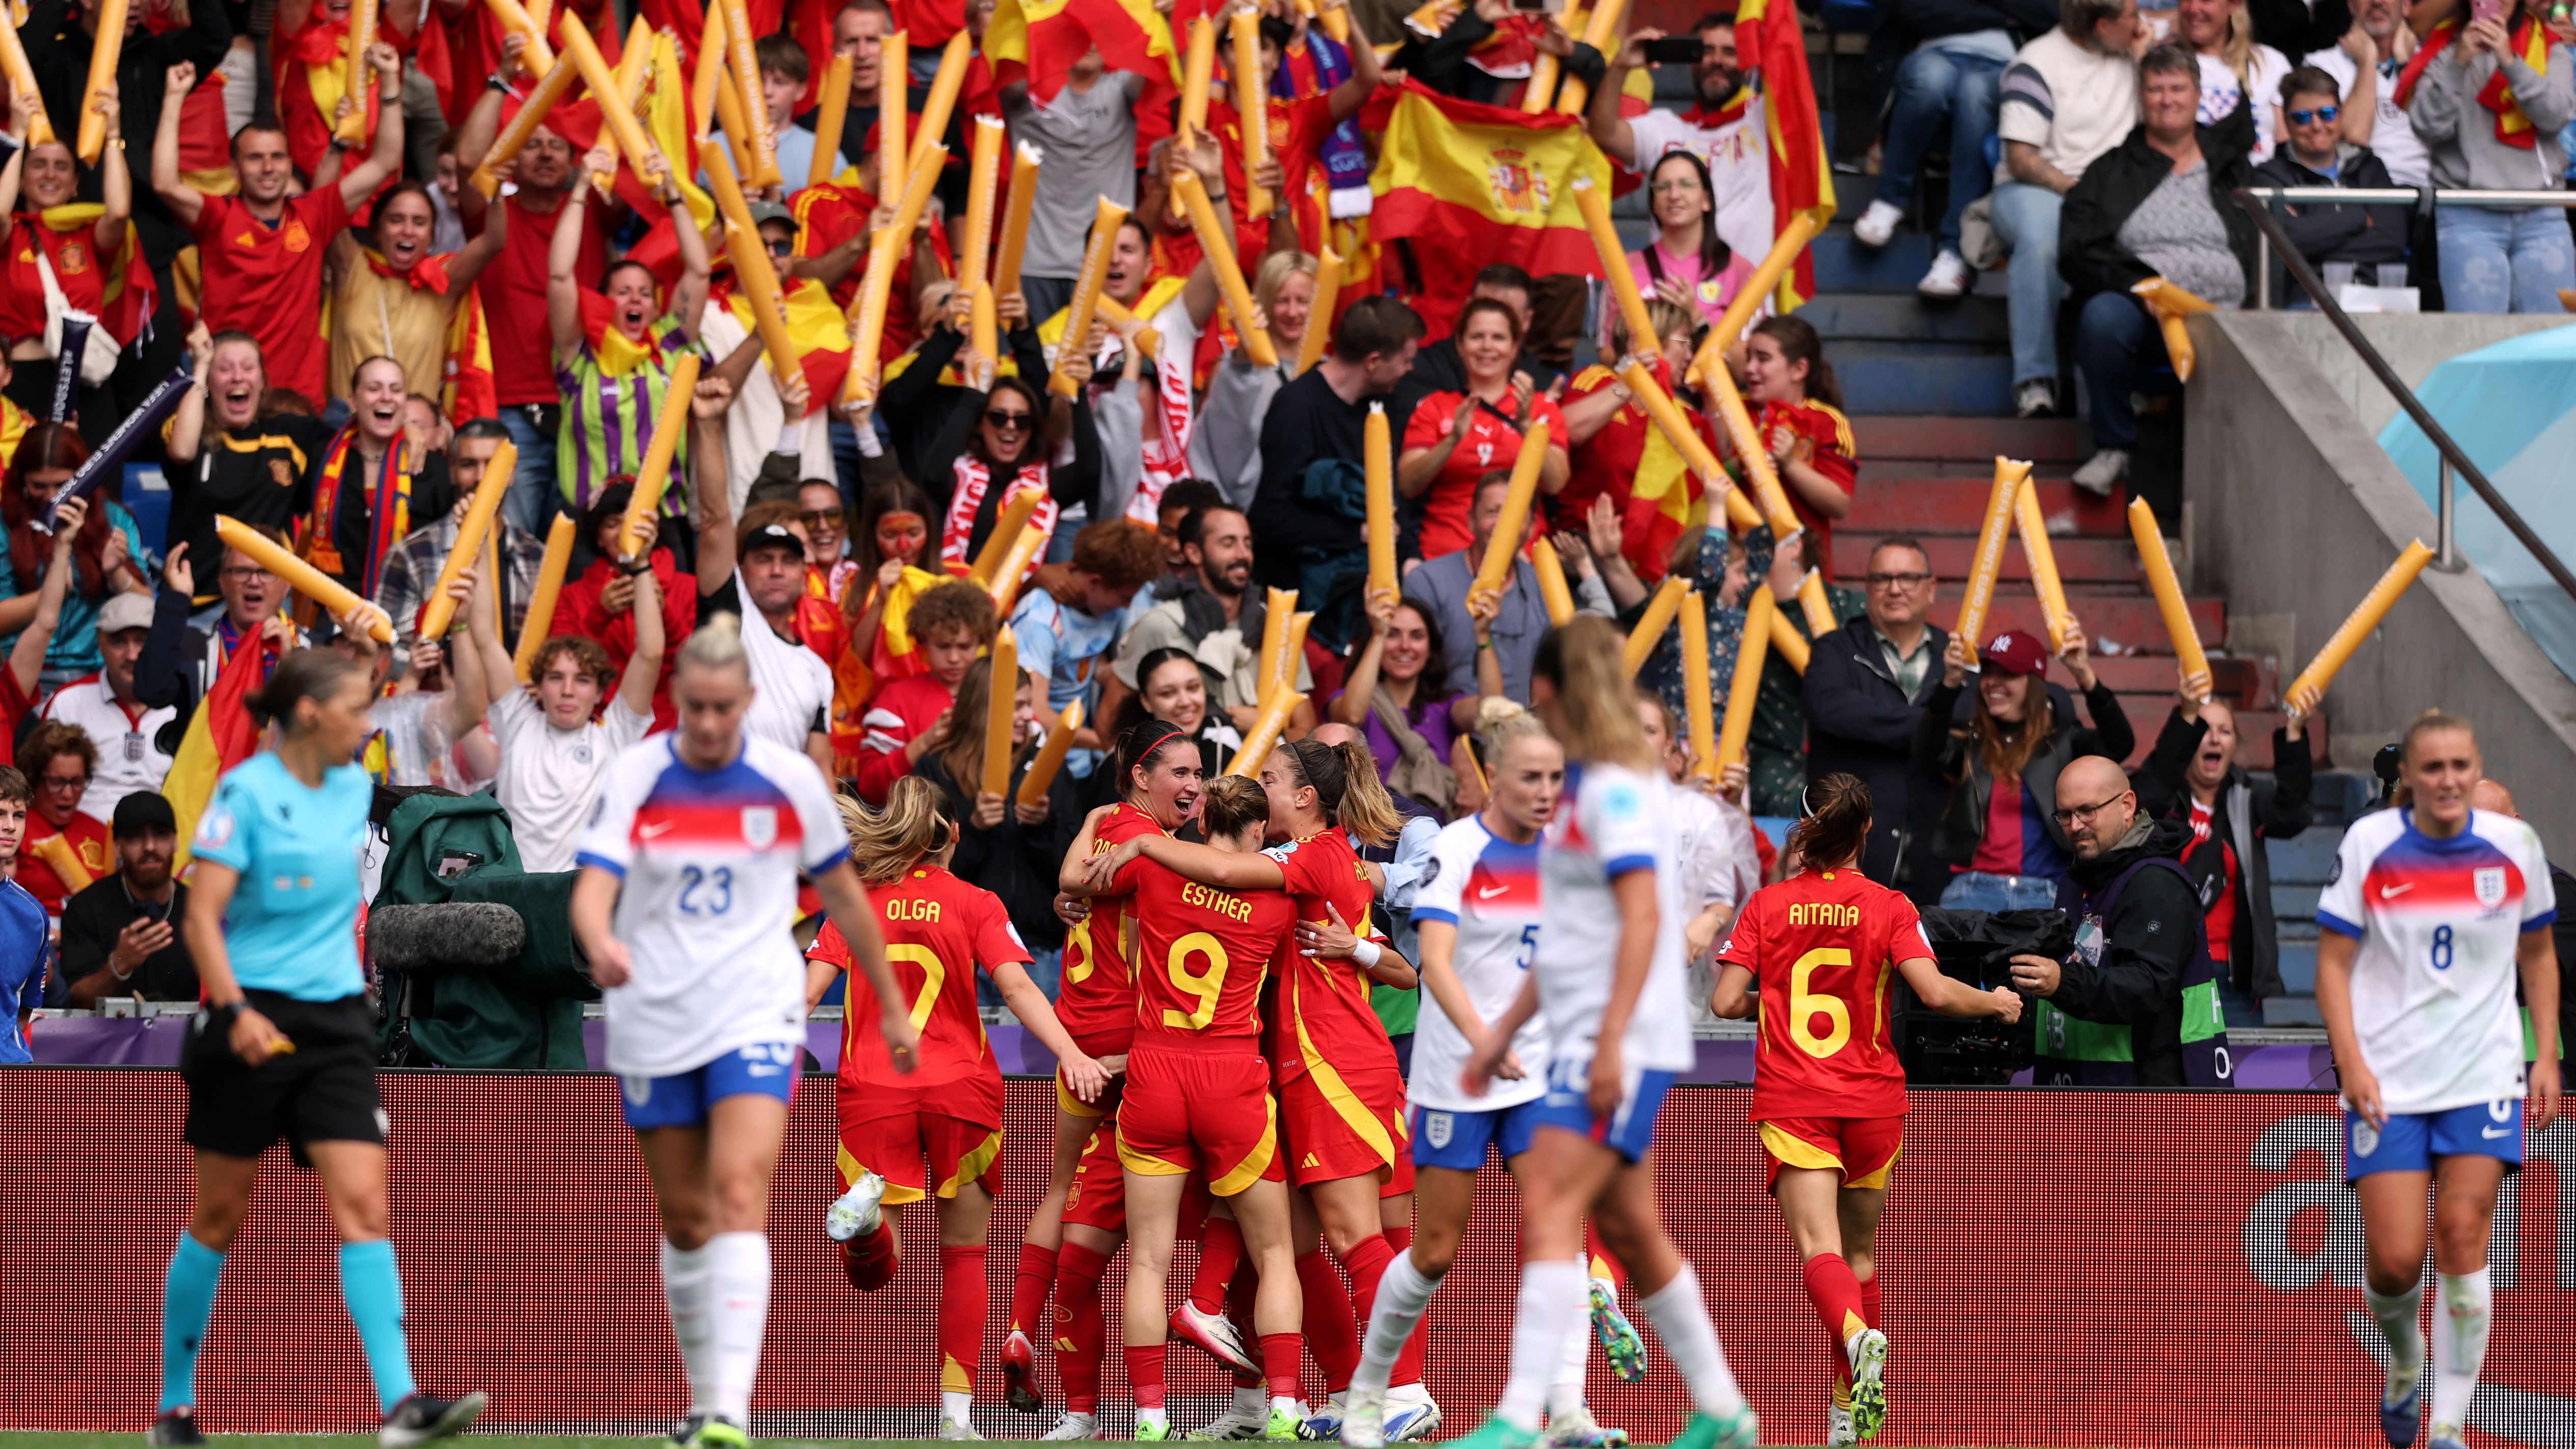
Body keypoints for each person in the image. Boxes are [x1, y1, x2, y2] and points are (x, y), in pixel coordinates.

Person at [568, 615, 917, 1449]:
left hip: (756, 1007)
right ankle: (701, 1399)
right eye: (696, 707)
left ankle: (726, 1411)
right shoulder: (638, 774)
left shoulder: (790, 782)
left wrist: (892, 1004)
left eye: (725, 708)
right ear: (678, 699)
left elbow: (842, 898)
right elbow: (590, 889)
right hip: (655, 1012)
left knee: (738, 1194)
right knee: (686, 1217)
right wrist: (599, 940)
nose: (711, 724)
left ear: (749, 701)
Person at [157, 641, 485, 1448]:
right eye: (355, 709)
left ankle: (402, 1404)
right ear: (310, 714)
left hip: (338, 1019)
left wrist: (433, 638)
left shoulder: (351, 788)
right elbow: (200, 917)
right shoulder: (245, 793)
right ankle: (173, 1406)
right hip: (249, 1016)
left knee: (365, 1205)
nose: (368, 724)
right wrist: (233, 1010)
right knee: (219, 1216)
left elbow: (469, 721)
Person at [1455, 615, 1757, 1449]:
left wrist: (1613, 1040)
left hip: (1616, 1037)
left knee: (1549, 1203)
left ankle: (1519, 1418)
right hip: (1598, 1031)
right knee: (1629, 1231)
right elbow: (1572, 936)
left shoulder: (1615, 793)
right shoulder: (1594, 787)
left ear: (1543, 692)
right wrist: (1500, 1033)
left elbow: (1638, 922)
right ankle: (1724, 1410)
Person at [1079, 736, 1421, 1443]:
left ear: (1299, 798)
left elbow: (1185, 874)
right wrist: (1358, 945)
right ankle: (1299, 1393)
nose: (1263, 784)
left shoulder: (1303, 861)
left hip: (1311, 1062)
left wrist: (1136, 848)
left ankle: (1398, 1391)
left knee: (1357, 1237)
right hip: (1263, 1071)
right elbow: (1396, 963)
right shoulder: (1297, 879)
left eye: (1272, 775)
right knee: (1291, 1244)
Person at [1710, 773, 2021, 1444]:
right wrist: (1994, 1000)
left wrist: (1773, 999)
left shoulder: (1767, 906)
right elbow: (1935, 993)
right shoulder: (1889, 906)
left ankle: (1857, 1339)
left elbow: (1724, 1002)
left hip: (1798, 1099)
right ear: (1866, 831)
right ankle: (1847, 1416)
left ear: (1803, 828)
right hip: (1874, 1102)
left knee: (1818, 1250)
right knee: (1858, 1256)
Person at [1346, 707, 1621, 1449]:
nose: (1544, 792)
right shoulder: (1456, 851)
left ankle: (1568, 1413)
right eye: (1530, 778)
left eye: (1555, 779)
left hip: (1536, 1075)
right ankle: (1370, 1396)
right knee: (1433, 1250)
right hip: (1454, 1075)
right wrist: (1484, 1040)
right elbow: (1433, 961)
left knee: (1557, 1231)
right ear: (1492, 777)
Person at [810, 778, 1107, 1441]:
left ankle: (864, 1228)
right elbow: (1018, 986)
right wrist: (1072, 1053)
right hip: (961, 1090)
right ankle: (956, 1418)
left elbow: (803, 994)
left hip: (875, 1087)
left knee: (872, 1274)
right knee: (964, 1254)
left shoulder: (850, 902)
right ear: (952, 834)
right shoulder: (975, 901)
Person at [2315, 715, 2560, 1449]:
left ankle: (2448, 1424)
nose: (2448, 779)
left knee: (2461, 1233)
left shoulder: (2515, 846)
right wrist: (2351, 1062)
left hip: (2481, 1073)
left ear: (2474, 765)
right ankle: (2402, 1360)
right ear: (2409, 779)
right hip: (2388, 1078)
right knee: (2395, 1261)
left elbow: (2539, 954)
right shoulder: (2370, 845)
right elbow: (2330, 964)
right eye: (2433, 767)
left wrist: (2543, 1052)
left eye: (2461, 764)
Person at [1092, 772, 1309, 1443]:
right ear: (1253, 832)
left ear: (1200, 819)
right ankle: (1281, 1407)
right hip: (1230, 1078)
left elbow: (1084, 890)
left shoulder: (1154, 875)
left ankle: (1151, 1420)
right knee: (1274, 1251)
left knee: (1147, 1262)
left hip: (1154, 1069)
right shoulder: (1277, 903)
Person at [1012, 721, 1208, 1432]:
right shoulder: (1153, 848)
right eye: (1180, 772)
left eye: (1200, 773)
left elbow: (1073, 881)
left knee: (1066, 1197)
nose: (1193, 785)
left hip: (1078, 1044)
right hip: (1139, 1058)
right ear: (1138, 777)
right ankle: (1266, 1393)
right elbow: (1072, 884)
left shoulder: (1109, 828)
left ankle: (1027, 1333)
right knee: (1236, 1228)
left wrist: (1093, 822)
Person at [151, 51, 405, 405]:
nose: (268, 167)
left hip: (298, 396)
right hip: (231, 393)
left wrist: (390, 81)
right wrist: (175, 99)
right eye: (255, 158)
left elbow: (385, 161)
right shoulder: (218, 217)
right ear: (235, 170)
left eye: (278, 157)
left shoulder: (313, 214)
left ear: (290, 164)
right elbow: (164, 183)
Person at [2060, 45, 2256, 495]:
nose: (2166, 99)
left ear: (2197, 95)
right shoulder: (2110, 171)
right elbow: (2075, 250)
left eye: (2177, 88)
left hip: (2235, 317)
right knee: (2102, 317)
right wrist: (2139, 289)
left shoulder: (2232, 169)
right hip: (2149, 323)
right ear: (2141, 97)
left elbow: (2269, 238)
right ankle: (2114, 449)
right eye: (2155, 89)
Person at [450, 32, 605, 532]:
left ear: (573, 158)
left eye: (556, 146)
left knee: (575, 549)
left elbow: (634, 168)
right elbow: (469, 163)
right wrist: (501, 78)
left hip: (584, 404)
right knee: (509, 542)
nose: (543, 154)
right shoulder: (494, 215)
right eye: (531, 143)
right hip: (512, 408)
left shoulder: (593, 213)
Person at [2003, 753, 2227, 1084]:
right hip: (2081, 1094)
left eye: (2087, 810)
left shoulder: (2158, 883)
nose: (2075, 825)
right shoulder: (2076, 878)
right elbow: (2074, 970)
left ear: (2127, 805)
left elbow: (2145, 987)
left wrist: (2060, 982)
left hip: (2150, 1103)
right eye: (2065, 815)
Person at [447, 533, 661, 874]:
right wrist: (483, 536)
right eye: (557, 678)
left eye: (583, 680)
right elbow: (485, 637)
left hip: (576, 901)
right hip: (514, 895)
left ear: (600, 693)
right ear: (540, 686)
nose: (568, 690)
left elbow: (650, 653)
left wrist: (640, 566)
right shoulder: (518, 722)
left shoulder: (615, 736)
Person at [1992, 0, 2146, 420]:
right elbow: (2022, 158)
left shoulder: (2133, 57)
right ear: (2103, 25)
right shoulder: (2037, 63)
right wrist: (2081, 194)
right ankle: (2035, 382)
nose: (2142, 23)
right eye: (2132, 16)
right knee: (2043, 242)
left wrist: (2145, 57)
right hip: (2040, 187)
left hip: (2113, 194)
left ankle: (2131, 386)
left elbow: (2167, 125)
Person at [1853, 0, 2060, 297]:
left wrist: (1960, 10)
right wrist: (2004, 14)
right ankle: (1890, 199)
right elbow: (1913, 11)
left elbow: (2050, 14)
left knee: (1975, 94)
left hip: (2002, 65)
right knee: (1929, 81)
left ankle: (1956, 250)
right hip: (1932, 54)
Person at [1916, 627, 2132, 908]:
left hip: (2045, 892)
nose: (1993, 683)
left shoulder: (2062, 743)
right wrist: (1949, 685)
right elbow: (1925, 752)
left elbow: (2120, 745)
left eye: (2008, 674)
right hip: (1973, 891)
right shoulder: (1971, 744)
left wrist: (2085, 676)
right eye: (1988, 672)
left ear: (2034, 684)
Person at [550, 144, 711, 517]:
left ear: (656, 308)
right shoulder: (581, 355)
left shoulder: (671, 344)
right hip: (589, 525)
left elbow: (699, 271)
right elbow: (559, 275)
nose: (635, 300)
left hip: (664, 519)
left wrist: (673, 191)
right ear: (605, 303)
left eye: (644, 293)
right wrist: (580, 190)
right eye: (623, 293)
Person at [904, 657, 1082, 994]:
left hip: (1036, 950)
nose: (1028, 716)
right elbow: (918, 868)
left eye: (1029, 704)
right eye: (1016, 706)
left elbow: (1073, 870)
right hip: (958, 947)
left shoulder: (1051, 768)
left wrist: (1041, 828)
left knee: (1033, 1048)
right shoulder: (936, 769)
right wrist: (971, 828)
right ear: (984, 707)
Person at [2131, 686, 2312, 1013]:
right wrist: (2185, 715)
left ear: (2234, 746)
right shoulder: (2163, 802)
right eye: (2204, 730)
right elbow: (2145, 793)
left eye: (2225, 731)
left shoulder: (2248, 799)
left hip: (2231, 979)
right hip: (2167, 973)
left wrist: (2295, 732)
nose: (2214, 739)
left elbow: (2292, 813)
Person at [693, 380, 836, 775]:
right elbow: (715, 518)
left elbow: (822, 769)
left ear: (806, 573)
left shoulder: (817, 670)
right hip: (717, 807)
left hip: (783, 825)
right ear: (741, 568)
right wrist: (707, 425)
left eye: (788, 561)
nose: (776, 569)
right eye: (763, 559)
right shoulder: (729, 610)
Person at [2402, 0, 2576, 314]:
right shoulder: (2443, 49)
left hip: (2542, 215)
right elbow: (2427, 127)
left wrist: (2509, 60)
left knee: (2554, 339)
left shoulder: (2548, 46)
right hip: (2468, 215)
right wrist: (2459, 62)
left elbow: (2556, 116)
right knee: (2479, 340)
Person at [0, 77, 144, 446]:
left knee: (94, 495)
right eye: (38, 165)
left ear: (76, 181)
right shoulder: (9, 232)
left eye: (61, 166)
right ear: (20, 176)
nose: (50, 174)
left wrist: (112, 135)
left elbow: (120, 211)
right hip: (21, 382)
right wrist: (15, 134)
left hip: (86, 382)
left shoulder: (86, 233)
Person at [1803, 538, 1950, 897]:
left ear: (1931, 588)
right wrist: (1929, 726)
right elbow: (1830, 709)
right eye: (1882, 578)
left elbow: (1972, 730)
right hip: (1850, 858)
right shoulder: (1834, 649)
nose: (1895, 588)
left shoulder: (1957, 658)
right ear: (1868, 589)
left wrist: (1879, 724)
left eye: (1908, 578)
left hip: (1940, 863)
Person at [1251, 296, 1423, 593]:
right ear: (1373, 362)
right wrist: (1356, 533)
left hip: (1368, 582)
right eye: (1406, 360)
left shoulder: (1382, 400)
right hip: (1301, 588)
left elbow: (1390, 494)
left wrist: (1410, 557)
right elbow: (1272, 516)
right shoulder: (1296, 408)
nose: (1410, 369)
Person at [1405, 474, 1618, 710]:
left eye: (1514, 514)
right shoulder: (1427, 581)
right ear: (1471, 521)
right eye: (1493, 512)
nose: (1503, 524)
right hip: (1446, 729)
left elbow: (1597, 635)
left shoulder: (1544, 583)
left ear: (1531, 527)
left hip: (1523, 733)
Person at [1110, 504, 1316, 739]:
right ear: (1194, 553)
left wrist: (1269, 728)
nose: (1242, 554)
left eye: (1247, 544)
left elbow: (1308, 736)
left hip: (1268, 772)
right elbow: (1111, 728)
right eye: (1228, 544)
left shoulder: (1276, 626)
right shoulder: (1161, 625)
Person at [161, 330, 337, 604]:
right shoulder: (189, 427)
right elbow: (182, 452)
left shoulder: (288, 434)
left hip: (267, 603)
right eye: (224, 369)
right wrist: (200, 365)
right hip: (198, 602)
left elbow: (359, 440)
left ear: (263, 381)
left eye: (247, 368)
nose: (238, 377)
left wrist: (409, 431)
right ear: (209, 381)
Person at [1589, 15, 1774, 264]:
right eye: (1707, 51)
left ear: (1749, 64)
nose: (1717, 61)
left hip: (1749, 294)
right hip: (1670, 294)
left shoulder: (1766, 121)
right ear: (1692, 61)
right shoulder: (1666, 128)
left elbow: (1790, 66)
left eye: (1730, 52)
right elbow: (1604, 132)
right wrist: (1621, 65)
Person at [1557, 302, 1718, 586]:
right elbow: (1565, 431)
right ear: (1642, 341)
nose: (1690, 355)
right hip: (1584, 555)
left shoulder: (1684, 415)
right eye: (1683, 342)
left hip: (1654, 566)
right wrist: (1632, 381)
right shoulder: (1598, 381)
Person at [1397, 297, 1569, 561]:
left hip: (1522, 556)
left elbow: (1555, 482)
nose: (1487, 347)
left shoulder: (1540, 407)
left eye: (1499, 338)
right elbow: (1408, 484)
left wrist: (1526, 426)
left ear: (1514, 348)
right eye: (1477, 337)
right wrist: (1452, 440)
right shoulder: (1435, 407)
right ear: (1460, 345)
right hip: (1447, 556)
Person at [323, 178, 506, 407]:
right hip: (349, 431)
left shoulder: (440, 282)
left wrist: (496, 188)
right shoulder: (351, 269)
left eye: (419, 223)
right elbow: (325, 206)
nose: (408, 231)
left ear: (432, 236)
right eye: (396, 220)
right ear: (377, 230)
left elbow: (494, 241)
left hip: (416, 433)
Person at [373, 419, 549, 655]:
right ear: (452, 472)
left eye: (494, 465)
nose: (481, 477)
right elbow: (392, 652)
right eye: (468, 465)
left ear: (512, 474)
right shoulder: (411, 554)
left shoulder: (538, 558)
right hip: (436, 690)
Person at [998, 51, 1145, 323]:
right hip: (1034, 265)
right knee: (1033, 361)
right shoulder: (1026, 89)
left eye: (1095, 29)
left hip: (1105, 269)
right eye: (1078, 29)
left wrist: (1170, 16)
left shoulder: (1124, 89)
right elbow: (1001, 47)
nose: (1088, 41)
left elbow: (1163, 60)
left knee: (1098, 364)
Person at [0, 423, 151, 677]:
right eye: (39, 485)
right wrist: (50, 594)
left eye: (63, 485)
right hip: (22, 671)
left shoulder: (113, 517)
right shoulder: (7, 524)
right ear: (22, 480)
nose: (52, 497)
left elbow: (146, 606)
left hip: (95, 671)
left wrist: (116, 574)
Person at [1009, 518, 1166, 758]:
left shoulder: (1103, 604)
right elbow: (1035, 712)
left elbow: (1087, 657)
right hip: (1041, 756)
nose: (1127, 606)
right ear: (1095, 582)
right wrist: (1108, 743)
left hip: (1082, 754)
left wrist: (1107, 673)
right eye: (1124, 597)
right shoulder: (1039, 622)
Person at [1331, 589, 1485, 820]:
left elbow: (1489, 711)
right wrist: (1378, 635)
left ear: (1430, 649)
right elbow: (1351, 717)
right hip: (1368, 841)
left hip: (1433, 842)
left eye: (1417, 636)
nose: (1405, 646)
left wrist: (1483, 637)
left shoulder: (1445, 707)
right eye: (1393, 634)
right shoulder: (1351, 699)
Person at [1722, 316, 1857, 575]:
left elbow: (1840, 504)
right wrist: (1740, 464)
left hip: (1800, 572)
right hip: (1736, 570)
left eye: (1763, 359)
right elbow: (1709, 472)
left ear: (1799, 370)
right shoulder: (1731, 407)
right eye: (1749, 357)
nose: (1750, 368)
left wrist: (1790, 465)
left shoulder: (1826, 421)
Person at [1188, 251, 1320, 512]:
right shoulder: (1234, 368)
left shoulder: (1331, 369)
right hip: (1251, 516)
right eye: (1282, 301)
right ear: (1265, 302)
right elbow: (1216, 449)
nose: (1293, 312)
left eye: (1303, 301)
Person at [2252, 66, 2411, 280]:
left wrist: (2315, 251)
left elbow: (2393, 239)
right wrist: (2359, 218)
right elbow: (2286, 244)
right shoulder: (2268, 177)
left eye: (2327, 114)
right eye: (2302, 118)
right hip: (2304, 303)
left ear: (2341, 115)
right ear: (2287, 123)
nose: (2317, 126)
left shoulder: (2370, 167)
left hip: (2375, 297)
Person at [853, 578, 999, 806]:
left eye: (964, 646)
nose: (953, 658)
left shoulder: (1000, 690)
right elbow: (871, 786)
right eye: (943, 646)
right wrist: (926, 741)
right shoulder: (897, 697)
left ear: (980, 641)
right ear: (924, 642)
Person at [39, 591, 175, 822]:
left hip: (162, 844)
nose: (132, 655)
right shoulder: (70, 702)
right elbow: (42, 787)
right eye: (119, 642)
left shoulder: (184, 703)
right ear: (100, 643)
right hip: (80, 846)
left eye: (142, 641)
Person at [57, 789, 192, 1007]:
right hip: (110, 1039)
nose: (150, 846)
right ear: (117, 848)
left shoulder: (199, 909)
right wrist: (120, 963)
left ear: (176, 842)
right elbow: (78, 999)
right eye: (136, 836)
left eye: (161, 834)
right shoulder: (86, 908)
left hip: (188, 1039)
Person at [1621, 152, 1760, 334]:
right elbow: (1607, 351)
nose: (1674, 195)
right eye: (1663, 187)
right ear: (1653, 204)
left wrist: (1694, 316)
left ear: (1706, 200)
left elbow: (1746, 356)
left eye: (1686, 184)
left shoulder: (1740, 269)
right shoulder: (1625, 267)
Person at [2305, 0, 2425, 192]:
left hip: (2428, 196)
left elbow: (2436, 127)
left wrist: (2405, 63)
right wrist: (2368, 61)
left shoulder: (2433, 62)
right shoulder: (2320, 65)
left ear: (2406, 5)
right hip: (2360, 195)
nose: (2377, 2)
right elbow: (2355, 135)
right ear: (2351, 5)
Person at [1104, 645, 1246, 785]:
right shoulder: (1121, 760)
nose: (1184, 702)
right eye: (1168, 693)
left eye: (1193, 688)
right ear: (1145, 700)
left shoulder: (1223, 740)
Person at [2176, 0, 2293, 161]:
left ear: (2234, 4)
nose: (2193, 8)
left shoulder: (2271, 62)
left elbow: (2285, 141)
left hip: (2260, 181)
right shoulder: (2166, 64)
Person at [15, 719, 108, 921]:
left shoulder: (100, 832)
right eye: (57, 782)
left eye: (77, 782)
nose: (68, 794)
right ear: (34, 778)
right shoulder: (14, 828)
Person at [0, 768, 39, 1062]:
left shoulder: (34, 915)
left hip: (12, 1071)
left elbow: (24, 1011)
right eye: (0, 814)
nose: (10, 826)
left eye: (19, 815)